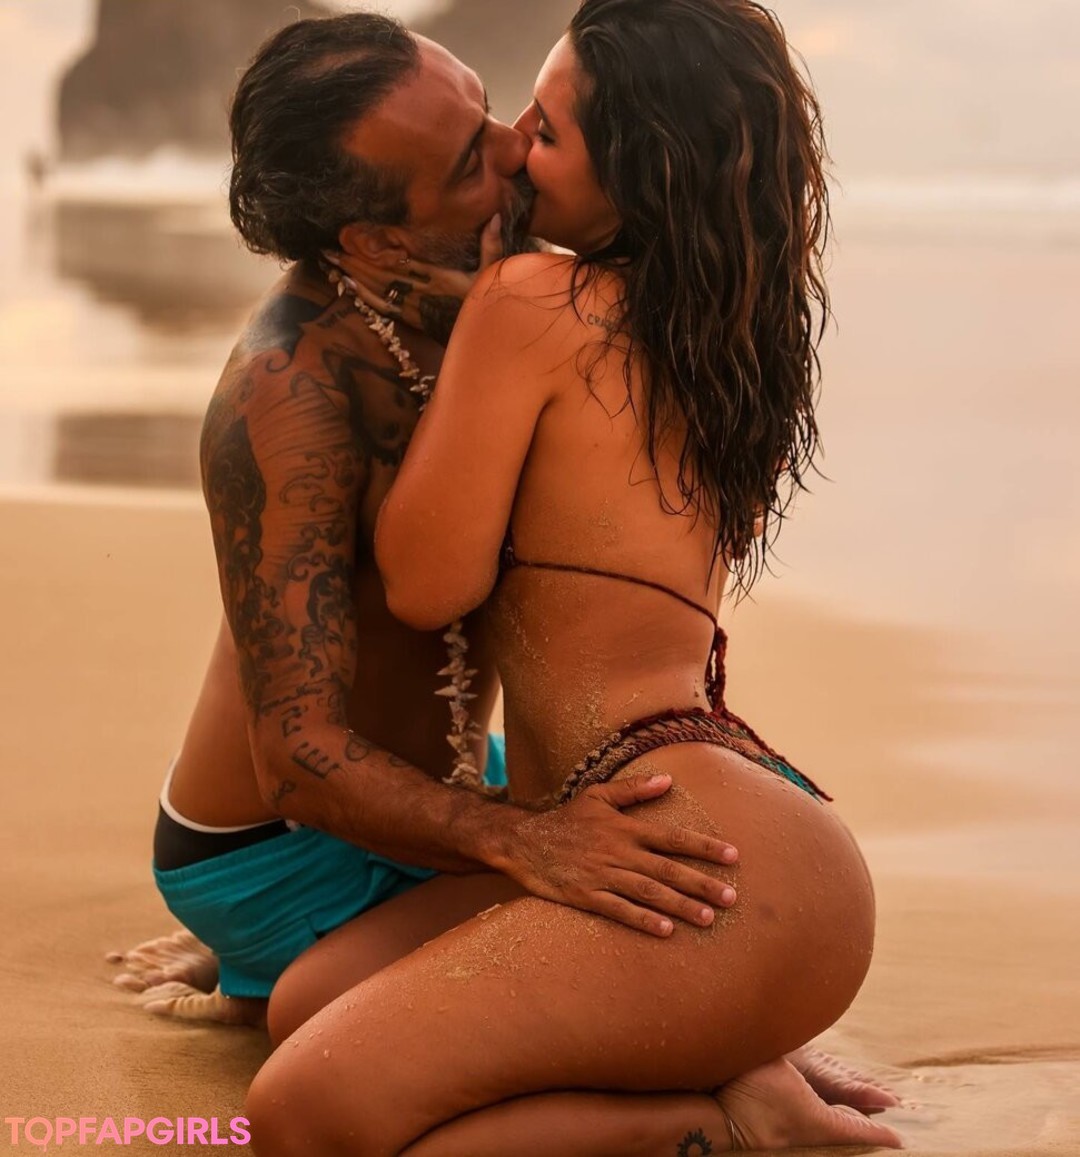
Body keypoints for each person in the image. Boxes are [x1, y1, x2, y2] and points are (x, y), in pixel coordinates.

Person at [243, 1, 903, 1152]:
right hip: (747, 839)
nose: (513, 147)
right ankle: (743, 1064)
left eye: (545, 132)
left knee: (303, 1110)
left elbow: (426, 581)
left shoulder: (529, 305)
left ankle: (718, 1122)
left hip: (698, 854)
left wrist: (449, 339)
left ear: (638, 167)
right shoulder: (724, 338)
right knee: (308, 1002)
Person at [110, 11, 746, 1029]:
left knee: (698, 876)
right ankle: (267, 953)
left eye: (487, 108)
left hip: (448, 782)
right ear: (374, 240)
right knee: (657, 952)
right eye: (465, 163)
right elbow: (299, 757)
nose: (513, 148)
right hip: (277, 843)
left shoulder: (495, 297)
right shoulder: (287, 396)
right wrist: (524, 841)